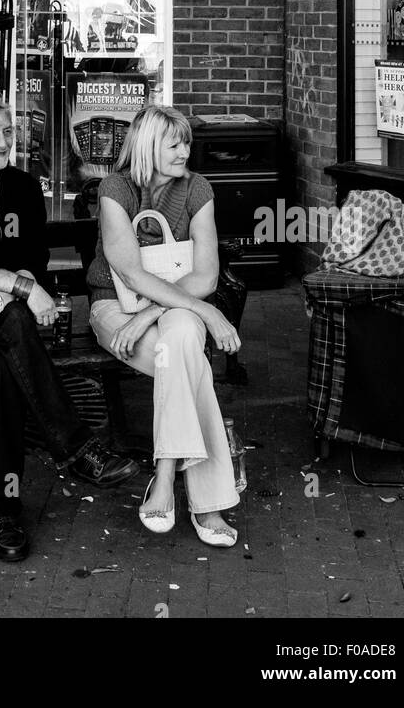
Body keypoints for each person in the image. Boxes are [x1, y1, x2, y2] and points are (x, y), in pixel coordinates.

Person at [0, 94, 139, 563]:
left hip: (0, 324)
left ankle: (2, 512)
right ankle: (76, 448)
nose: (2, 142)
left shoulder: (22, 188)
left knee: (4, 368)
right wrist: (13, 289)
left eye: (7, 132)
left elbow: (32, 264)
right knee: (15, 323)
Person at [88, 105, 241, 547]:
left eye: (186, 141)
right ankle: (209, 503)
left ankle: (165, 472)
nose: (184, 151)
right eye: (173, 143)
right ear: (147, 145)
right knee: (189, 357)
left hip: (168, 311)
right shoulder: (116, 188)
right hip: (114, 308)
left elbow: (206, 276)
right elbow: (130, 274)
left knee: (180, 341)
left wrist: (153, 314)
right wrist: (208, 312)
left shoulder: (198, 189)